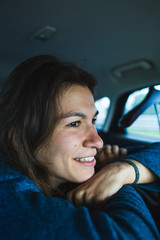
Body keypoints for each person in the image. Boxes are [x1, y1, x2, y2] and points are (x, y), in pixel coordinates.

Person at [0, 55, 159, 239]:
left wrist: (123, 169)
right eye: (74, 123)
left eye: (93, 121)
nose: (98, 142)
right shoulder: (8, 195)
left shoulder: (67, 164)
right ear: (19, 140)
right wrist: (113, 181)